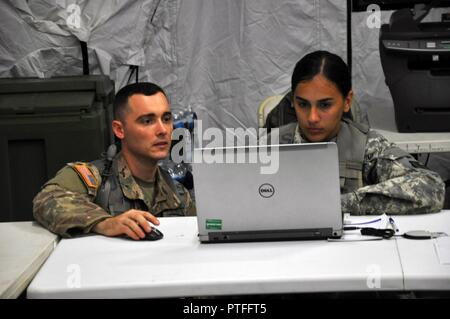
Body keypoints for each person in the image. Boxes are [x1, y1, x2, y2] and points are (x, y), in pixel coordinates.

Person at [274, 50, 445, 215]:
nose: (312, 118)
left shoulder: (366, 147)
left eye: (325, 105)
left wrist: (340, 204)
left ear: (347, 101)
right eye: (303, 104)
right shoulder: (268, 147)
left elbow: (431, 187)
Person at [33, 82, 196, 239]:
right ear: (119, 129)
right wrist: (105, 223)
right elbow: (47, 200)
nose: (162, 130)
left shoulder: (178, 194)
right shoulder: (95, 178)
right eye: (147, 121)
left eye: (166, 119)